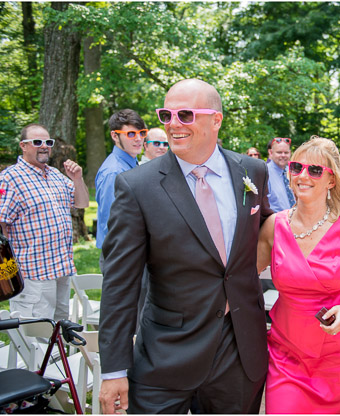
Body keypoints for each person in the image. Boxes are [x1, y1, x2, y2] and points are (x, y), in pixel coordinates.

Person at [98, 79, 274, 414]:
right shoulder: (137, 186)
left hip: (239, 351)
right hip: (165, 355)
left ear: (216, 119)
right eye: (167, 115)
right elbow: (120, 283)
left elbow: (270, 229)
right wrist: (114, 369)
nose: (173, 125)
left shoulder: (252, 172)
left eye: (185, 115)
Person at [256, 136, 340, 413]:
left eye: (315, 170)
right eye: (297, 168)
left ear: (331, 180)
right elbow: (242, 276)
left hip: (337, 352)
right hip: (286, 351)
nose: (303, 176)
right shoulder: (274, 226)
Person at [0, 123, 88, 322]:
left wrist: (77, 179)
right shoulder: (10, 179)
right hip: (33, 274)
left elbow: (81, 203)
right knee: (36, 335)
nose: (44, 146)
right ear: (23, 145)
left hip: (61, 269)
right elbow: (1, 227)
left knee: (60, 330)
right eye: (37, 142)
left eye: (48, 142)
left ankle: (57, 355)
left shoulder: (55, 175)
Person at [95, 109, 146, 250]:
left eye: (141, 133)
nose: (138, 139)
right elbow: (111, 224)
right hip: (120, 253)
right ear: (115, 136)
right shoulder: (113, 172)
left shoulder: (131, 163)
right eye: (130, 134)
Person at [266, 137, 295, 212]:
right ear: (271, 153)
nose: (283, 155)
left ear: (290, 153)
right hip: (275, 220)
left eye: (286, 153)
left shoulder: (293, 172)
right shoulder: (265, 173)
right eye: (279, 152)